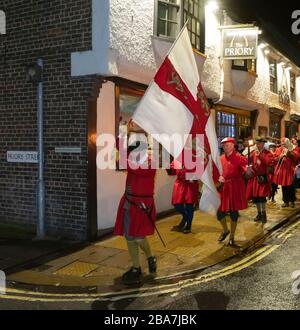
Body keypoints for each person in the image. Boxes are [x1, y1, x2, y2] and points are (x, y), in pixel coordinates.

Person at [114, 137, 157, 285]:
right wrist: (122, 131)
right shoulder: (133, 161)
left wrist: (122, 147)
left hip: (142, 205)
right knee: (129, 237)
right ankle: (136, 267)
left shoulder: (150, 163)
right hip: (128, 202)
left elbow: (134, 168)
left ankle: (150, 256)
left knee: (139, 237)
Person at [217, 137, 248, 247]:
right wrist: (219, 177)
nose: (225, 147)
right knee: (219, 212)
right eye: (224, 146)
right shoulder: (220, 158)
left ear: (233, 145)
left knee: (234, 213)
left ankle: (232, 237)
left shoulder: (240, 158)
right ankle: (225, 230)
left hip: (235, 187)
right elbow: (218, 172)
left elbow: (245, 171)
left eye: (227, 145)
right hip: (224, 188)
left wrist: (248, 171)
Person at [246, 137, 274, 223]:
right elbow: (249, 161)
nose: (258, 145)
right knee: (256, 198)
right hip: (255, 178)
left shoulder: (268, 153)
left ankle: (263, 214)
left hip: (263, 177)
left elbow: (268, 162)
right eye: (257, 143)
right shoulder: (254, 152)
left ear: (263, 144)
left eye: (260, 143)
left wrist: (259, 156)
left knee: (262, 197)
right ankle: (259, 213)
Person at [168, 159, 199, 234]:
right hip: (180, 183)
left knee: (189, 205)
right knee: (177, 204)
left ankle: (188, 226)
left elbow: (199, 171)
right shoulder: (177, 159)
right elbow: (172, 172)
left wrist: (192, 177)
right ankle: (185, 216)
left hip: (190, 184)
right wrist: (166, 165)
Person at [273, 138, 299, 208]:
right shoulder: (279, 149)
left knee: (291, 186)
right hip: (283, 170)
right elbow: (274, 158)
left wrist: (289, 154)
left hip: (290, 170)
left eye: (284, 144)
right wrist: (279, 157)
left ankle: (292, 201)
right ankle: (285, 201)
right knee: (284, 186)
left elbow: (297, 157)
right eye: (282, 144)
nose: (283, 145)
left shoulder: (292, 148)